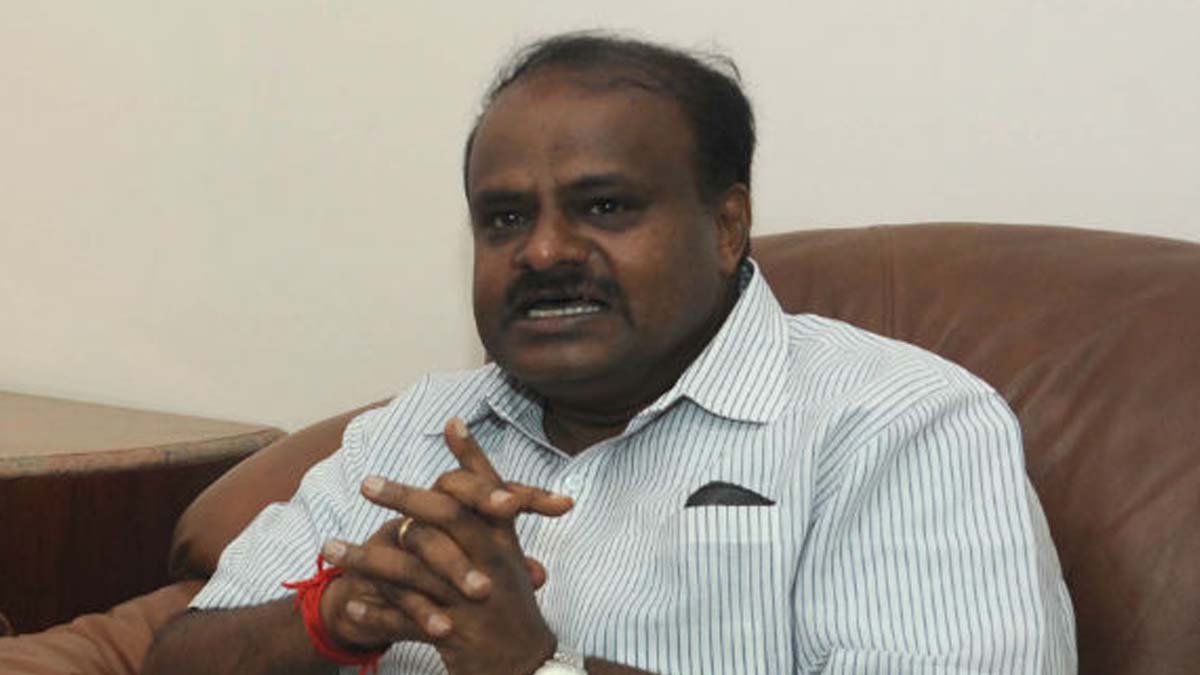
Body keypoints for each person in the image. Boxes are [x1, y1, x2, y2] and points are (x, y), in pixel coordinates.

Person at [144, 33, 1076, 674]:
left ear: (727, 226)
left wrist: (530, 665)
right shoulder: (419, 430)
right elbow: (178, 657)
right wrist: (337, 614)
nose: (543, 251)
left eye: (605, 207)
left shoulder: (898, 424)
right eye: (504, 218)